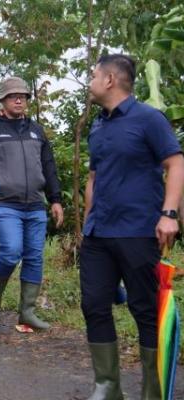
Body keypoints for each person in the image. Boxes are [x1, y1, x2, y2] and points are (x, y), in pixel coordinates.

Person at [80, 54, 184, 399]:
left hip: (139, 230)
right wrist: (86, 224)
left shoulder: (148, 119)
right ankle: (107, 386)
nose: (90, 82)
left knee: (144, 310)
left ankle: (152, 391)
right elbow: (93, 177)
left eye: (94, 76)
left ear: (110, 80)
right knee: (94, 304)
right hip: (98, 234)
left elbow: (176, 162)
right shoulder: (98, 124)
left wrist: (168, 214)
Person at [0, 76, 63, 330]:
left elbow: (48, 165)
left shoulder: (36, 129)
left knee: (34, 257)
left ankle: (27, 312)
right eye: (13, 96)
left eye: (23, 96)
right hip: (4, 202)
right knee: (10, 251)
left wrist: (55, 199)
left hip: (35, 203)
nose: (19, 99)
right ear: (3, 100)